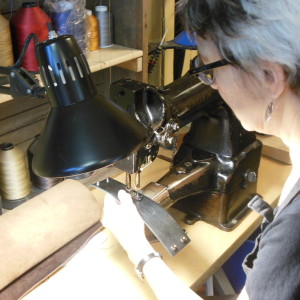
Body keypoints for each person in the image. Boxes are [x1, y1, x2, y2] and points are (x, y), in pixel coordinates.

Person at [102, 1, 300, 299]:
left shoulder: (294, 231)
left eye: (208, 70)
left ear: (268, 75)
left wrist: (139, 251)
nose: (210, 83)